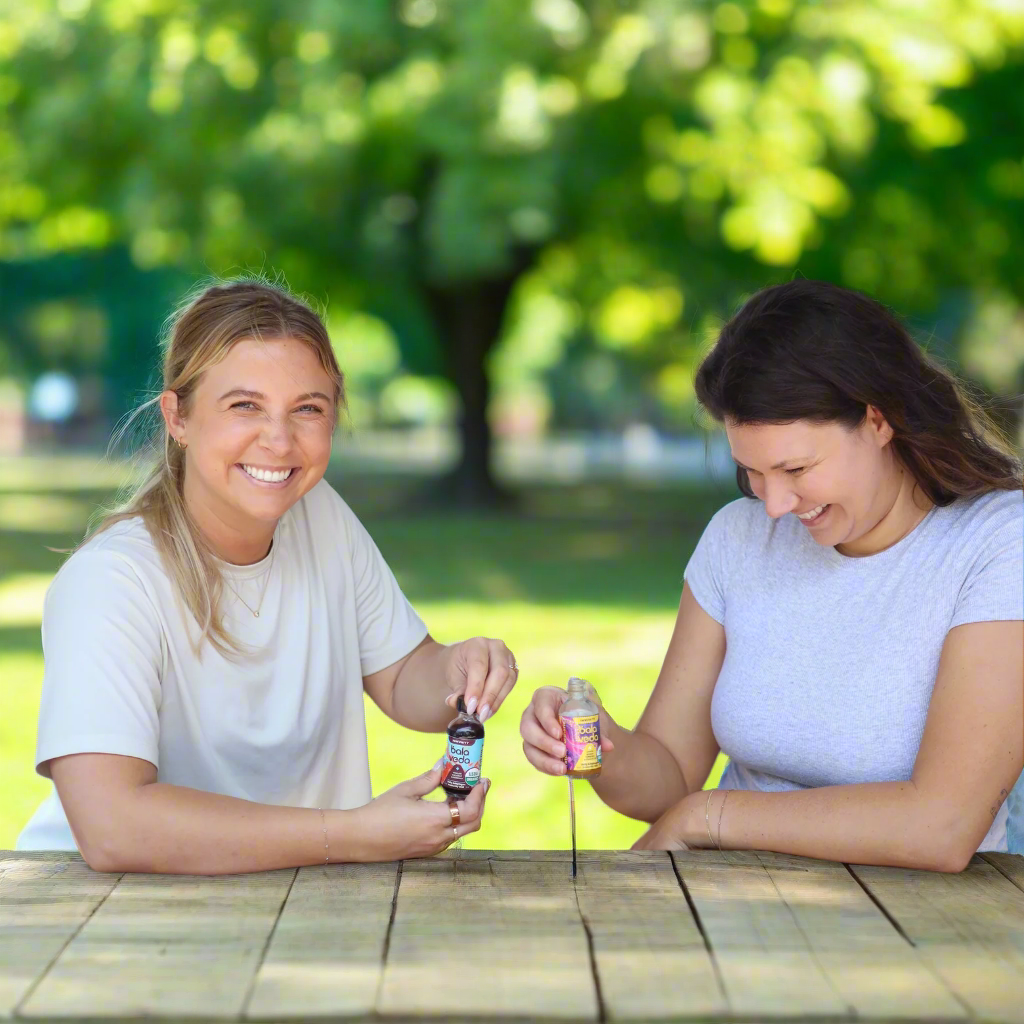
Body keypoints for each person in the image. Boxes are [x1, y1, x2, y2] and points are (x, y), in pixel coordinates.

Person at [17, 279, 519, 873]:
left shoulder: (320, 514)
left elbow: (404, 675)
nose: (279, 441)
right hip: (94, 917)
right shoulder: (112, 582)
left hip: (288, 899)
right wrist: (352, 835)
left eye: (308, 409)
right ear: (177, 416)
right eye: (244, 406)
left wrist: (459, 672)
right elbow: (113, 830)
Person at [521, 279, 1023, 870]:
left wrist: (709, 817)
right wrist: (602, 746)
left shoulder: (997, 542)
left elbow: (940, 825)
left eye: (796, 467)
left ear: (879, 419)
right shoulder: (739, 536)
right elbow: (672, 773)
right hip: (733, 902)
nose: (777, 505)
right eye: (752, 473)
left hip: (921, 925)